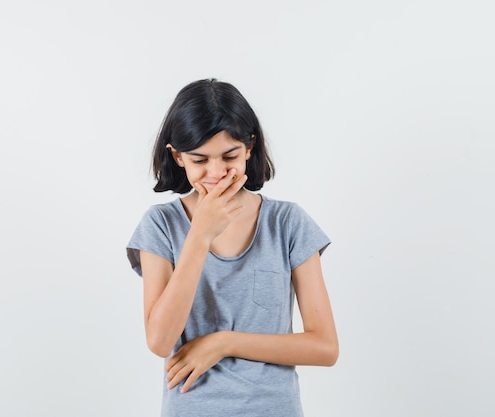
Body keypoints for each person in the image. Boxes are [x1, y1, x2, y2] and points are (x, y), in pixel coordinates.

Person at [126, 79, 338, 417]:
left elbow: (325, 347)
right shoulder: (160, 226)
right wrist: (200, 235)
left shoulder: (287, 223)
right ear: (177, 157)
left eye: (229, 156)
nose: (216, 173)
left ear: (250, 147)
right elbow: (161, 341)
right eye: (199, 160)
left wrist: (223, 343)